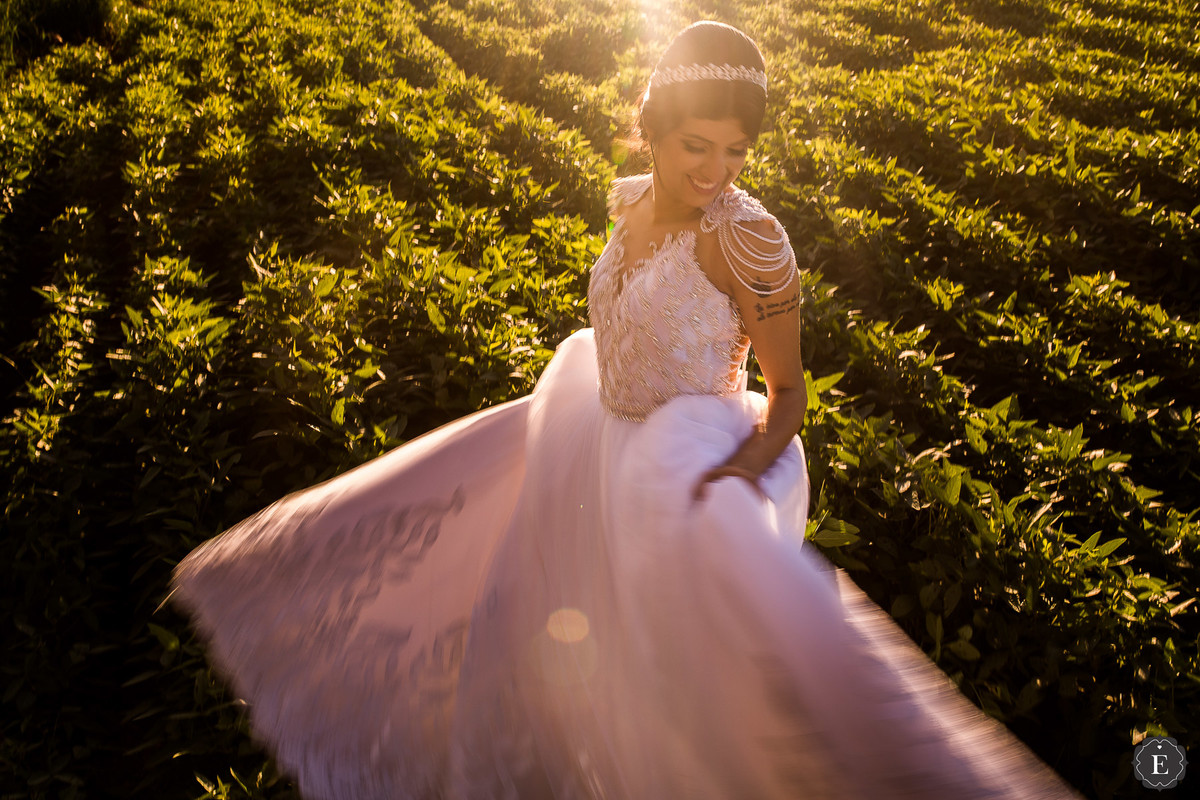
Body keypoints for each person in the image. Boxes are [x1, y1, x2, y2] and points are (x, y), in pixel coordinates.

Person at [172, 21, 1082, 800]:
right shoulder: (633, 202)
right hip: (595, 441)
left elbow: (791, 393)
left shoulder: (748, 238)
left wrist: (732, 480)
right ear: (653, 128)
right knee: (553, 639)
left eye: (736, 151)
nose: (716, 170)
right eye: (698, 146)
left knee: (691, 697)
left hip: (679, 473)